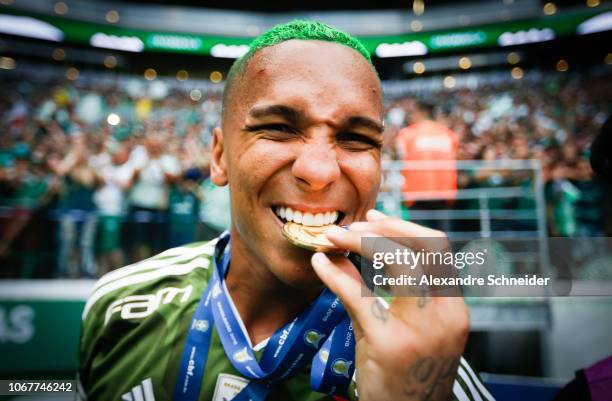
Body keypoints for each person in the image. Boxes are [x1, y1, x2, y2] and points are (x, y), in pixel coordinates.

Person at [78, 21, 494, 401]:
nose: (319, 171)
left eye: (355, 138)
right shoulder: (118, 304)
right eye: (278, 128)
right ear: (220, 158)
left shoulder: (431, 371)